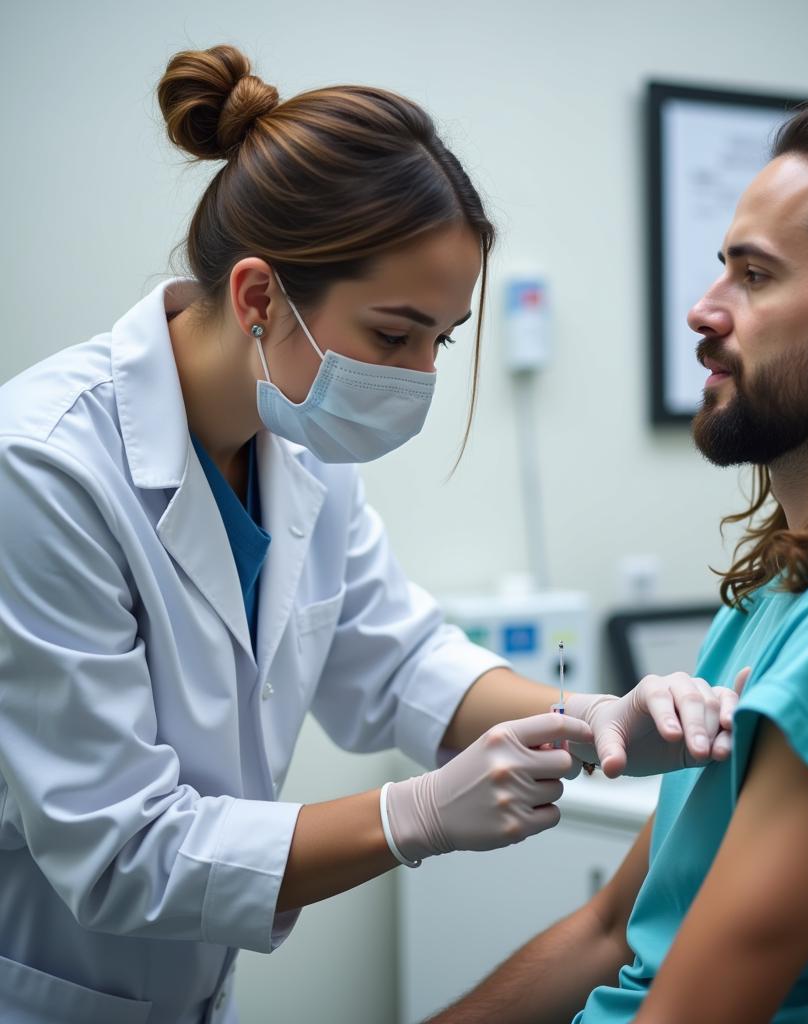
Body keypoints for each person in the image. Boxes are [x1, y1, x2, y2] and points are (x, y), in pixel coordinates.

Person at [0, 46, 741, 1024]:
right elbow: (120, 848)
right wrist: (413, 816)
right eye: (394, 334)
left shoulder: (297, 442)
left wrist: (588, 714)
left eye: (440, 338)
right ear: (259, 297)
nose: (419, 375)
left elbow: (401, 662)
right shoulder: (44, 468)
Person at [426, 96, 808, 1023]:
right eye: (723, 270)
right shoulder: (787, 588)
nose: (704, 311)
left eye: (755, 275)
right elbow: (611, 932)